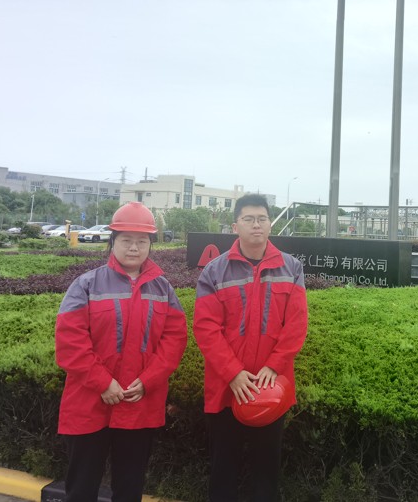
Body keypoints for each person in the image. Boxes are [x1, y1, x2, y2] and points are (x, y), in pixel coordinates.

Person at [55, 202, 188, 502]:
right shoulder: (85, 285)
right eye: (126, 240)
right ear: (112, 241)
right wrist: (103, 383)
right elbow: (70, 342)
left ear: (151, 245)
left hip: (138, 402)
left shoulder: (163, 289)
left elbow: (175, 339)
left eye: (142, 241)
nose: (134, 248)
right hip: (89, 403)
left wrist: (149, 380)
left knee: (130, 488)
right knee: (81, 488)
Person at [194, 193, 308, 502]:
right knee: (223, 468)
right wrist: (233, 373)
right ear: (235, 226)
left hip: (272, 387)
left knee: (266, 471)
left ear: (270, 224)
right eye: (248, 219)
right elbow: (206, 328)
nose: (256, 225)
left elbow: (296, 324)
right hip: (227, 387)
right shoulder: (214, 271)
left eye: (262, 219)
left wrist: (274, 366)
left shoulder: (291, 267)